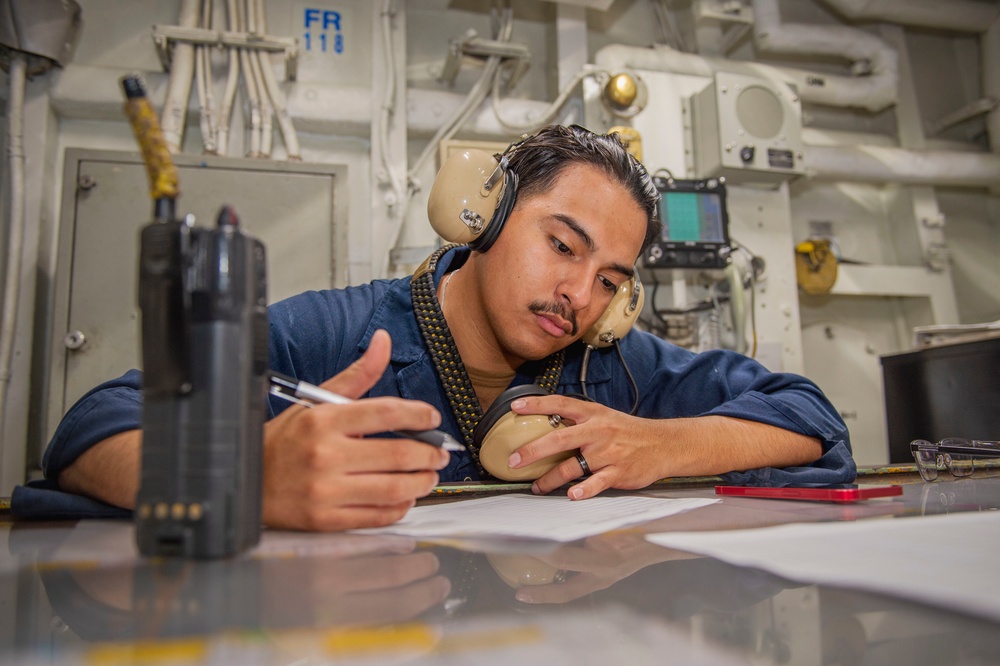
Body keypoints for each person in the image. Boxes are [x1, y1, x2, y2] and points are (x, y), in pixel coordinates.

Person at [20, 125, 855, 531]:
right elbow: (91, 429)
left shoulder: (619, 368)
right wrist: (243, 475)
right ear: (484, 217)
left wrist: (667, 445)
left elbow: (810, 419)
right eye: (562, 245)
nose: (577, 294)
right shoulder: (339, 333)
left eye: (610, 279)